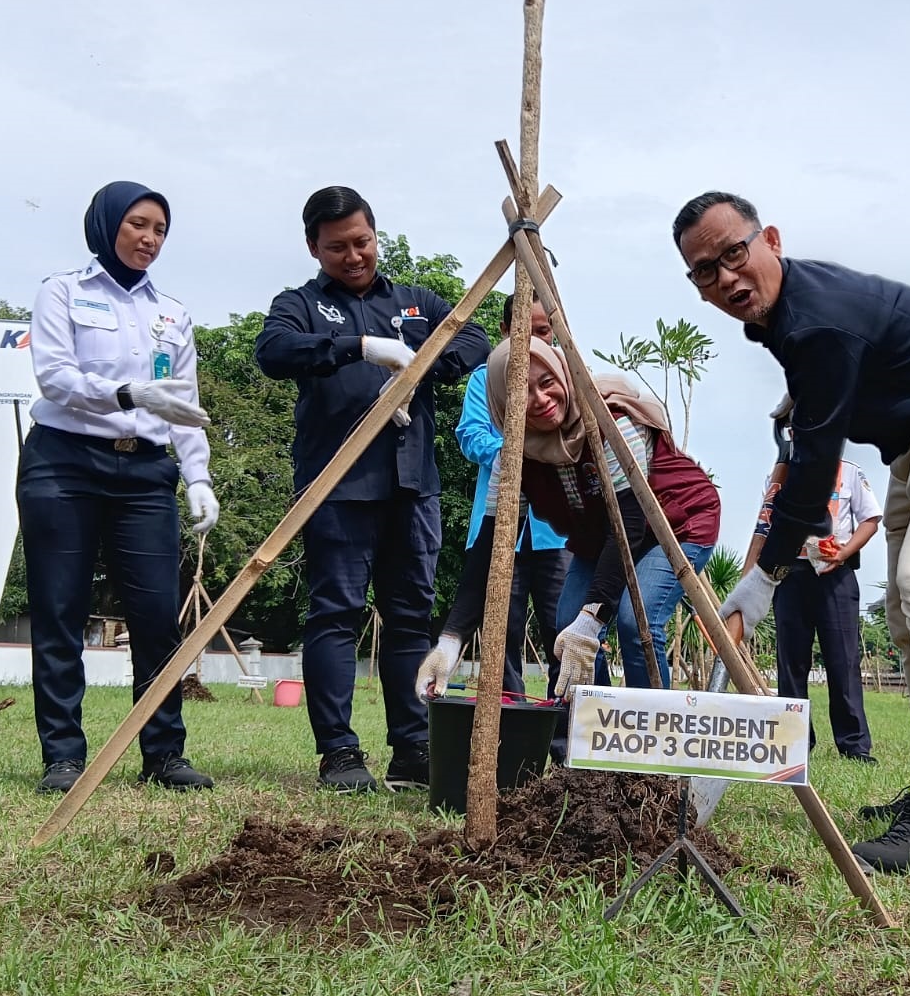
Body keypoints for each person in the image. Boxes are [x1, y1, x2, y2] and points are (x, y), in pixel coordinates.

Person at [674, 191, 910, 875]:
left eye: (734, 253)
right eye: (705, 270)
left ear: (769, 239)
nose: (726, 277)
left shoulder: (815, 323)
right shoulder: (789, 317)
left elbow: (814, 477)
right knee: (903, 609)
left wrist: (762, 576)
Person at [255, 186, 489, 793]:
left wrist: (415, 366)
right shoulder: (300, 304)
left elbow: (473, 339)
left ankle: (412, 747)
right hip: (336, 486)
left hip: (413, 485)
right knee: (335, 615)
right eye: (337, 247)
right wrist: (358, 348)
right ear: (314, 247)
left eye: (362, 242)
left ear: (375, 235)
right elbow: (274, 352)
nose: (354, 255)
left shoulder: (416, 302)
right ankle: (338, 752)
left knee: (411, 619)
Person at [18, 182, 218, 795]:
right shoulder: (62, 291)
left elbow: (183, 404)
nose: (149, 238)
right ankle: (63, 756)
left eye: (159, 229)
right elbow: (54, 376)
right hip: (64, 464)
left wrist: (198, 477)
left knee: (159, 615)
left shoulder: (171, 313)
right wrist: (127, 394)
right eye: (137, 224)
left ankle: (163, 752)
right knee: (60, 610)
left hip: (144, 472)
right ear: (106, 225)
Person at [416, 337, 720, 704]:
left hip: (675, 524)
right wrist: (449, 643)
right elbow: (490, 545)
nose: (541, 400)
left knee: (633, 621)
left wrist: (591, 622)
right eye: (522, 391)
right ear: (503, 403)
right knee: (566, 625)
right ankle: (599, 732)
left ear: (564, 375)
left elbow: (630, 525)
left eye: (547, 383)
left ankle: (651, 734)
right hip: (600, 537)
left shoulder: (610, 424)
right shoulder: (513, 457)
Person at [745, 395, 881, 762]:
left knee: (843, 661)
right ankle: (794, 742)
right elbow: (767, 524)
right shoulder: (779, 475)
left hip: (836, 579)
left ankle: (854, 746)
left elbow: (870, 519)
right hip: (791, 575)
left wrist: (846, 550)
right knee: (791, 661)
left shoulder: (850, 472)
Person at [454, 294, 570, 697]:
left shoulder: (566, 378)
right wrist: (513, 451)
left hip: (557, 529)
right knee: (502, 627)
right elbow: (470, 435)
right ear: (505, 331)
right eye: (525, 331)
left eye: (543, 331)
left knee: (563, 627)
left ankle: (563, 732)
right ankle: (506, 722)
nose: (535, 340)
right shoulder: (484, 379)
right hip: (499, 524)